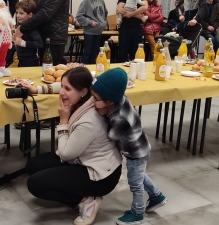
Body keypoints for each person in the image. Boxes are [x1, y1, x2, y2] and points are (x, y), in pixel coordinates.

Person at [23, 67, 123, 225]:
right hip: (83, 159)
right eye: (62, 86)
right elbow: (63, 85)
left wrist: (63, 121)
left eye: (67, 89)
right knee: (33, 165)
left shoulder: (89, 120)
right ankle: (77, 190)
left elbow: (65, 154)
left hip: (100, 175)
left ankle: (87, 200)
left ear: (83, 91)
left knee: (35, 185)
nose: (61, 92)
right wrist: (37, 89)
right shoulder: (90, 96)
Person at [90, 68, 167, 225]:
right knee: (139, 175)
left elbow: (112, 136)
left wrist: (102, 115)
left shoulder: (120, 119)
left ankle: (137, 213)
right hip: (140, 149)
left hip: (136, 152)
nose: (92, 101)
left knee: (135, 183)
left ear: (109, 101)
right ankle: (156, 196)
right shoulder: (120, 99)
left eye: (95, 99)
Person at [19, 0, 69, 66]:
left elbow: (44, 13)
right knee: (45, 69)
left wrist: (22, 28)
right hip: (46, 36)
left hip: (54, 39)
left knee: (50, 70)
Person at [76, 0, 108, 64]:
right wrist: (90, 22)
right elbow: (79, 16)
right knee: (87, 53)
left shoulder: (101, 1)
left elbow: (105, 13)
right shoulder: (86, 2)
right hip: (89, 32)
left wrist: (104, 23)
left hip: (99, 31)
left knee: (94, 53)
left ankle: (92, 70)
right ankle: (85, 71)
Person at [14, 0, 43, 67]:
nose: (18, 15)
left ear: (30, 15)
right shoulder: (20, 25)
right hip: (21, 60)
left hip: (30, 61)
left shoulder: (31, 29)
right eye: (17, 13)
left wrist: (22, 43)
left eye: (21, 13)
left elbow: (39, 43)